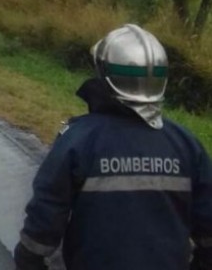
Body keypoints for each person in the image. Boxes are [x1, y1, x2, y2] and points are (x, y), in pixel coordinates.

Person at [14, 24, 212, 270]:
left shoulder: (78, 140)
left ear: (105, 75)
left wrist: (28, 256)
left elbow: (46, 215)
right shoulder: (186, 144)